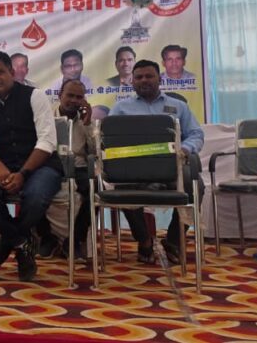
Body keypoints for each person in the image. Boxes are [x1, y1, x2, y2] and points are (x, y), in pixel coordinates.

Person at [0, 51, 63, 282]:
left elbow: (47, 141)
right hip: (4, 165)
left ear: (12, 72)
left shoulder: (35, 96)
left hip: (42, 166)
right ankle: (22, 242)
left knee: (35, 195)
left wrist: (23, 173)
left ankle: (8, 241)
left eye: (0, 72)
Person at [109, 60, 204, 264]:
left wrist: (185, 149)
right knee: (121, 187)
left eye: (149, 76)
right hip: (133, 171)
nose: (144, 80)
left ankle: (173, 241)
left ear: (159, 79)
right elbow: (107, 139)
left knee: (195, 185)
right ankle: (144, 240)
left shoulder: (179, 106)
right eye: (139, 77)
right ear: (132, 82)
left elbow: (196, 134)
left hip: (172, 169)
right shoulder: (120, 108)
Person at [34, 79, 95, 259]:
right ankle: (47, 238)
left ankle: (75, 240)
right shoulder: (46, 117)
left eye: (79, 97)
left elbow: (95, 151)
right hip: (51, 165)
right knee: (32, 189)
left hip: (78, 166)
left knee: (94, 191)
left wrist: (87, 124)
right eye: (70, 95)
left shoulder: (86, 120)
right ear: (60, 95)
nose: (74, 100)